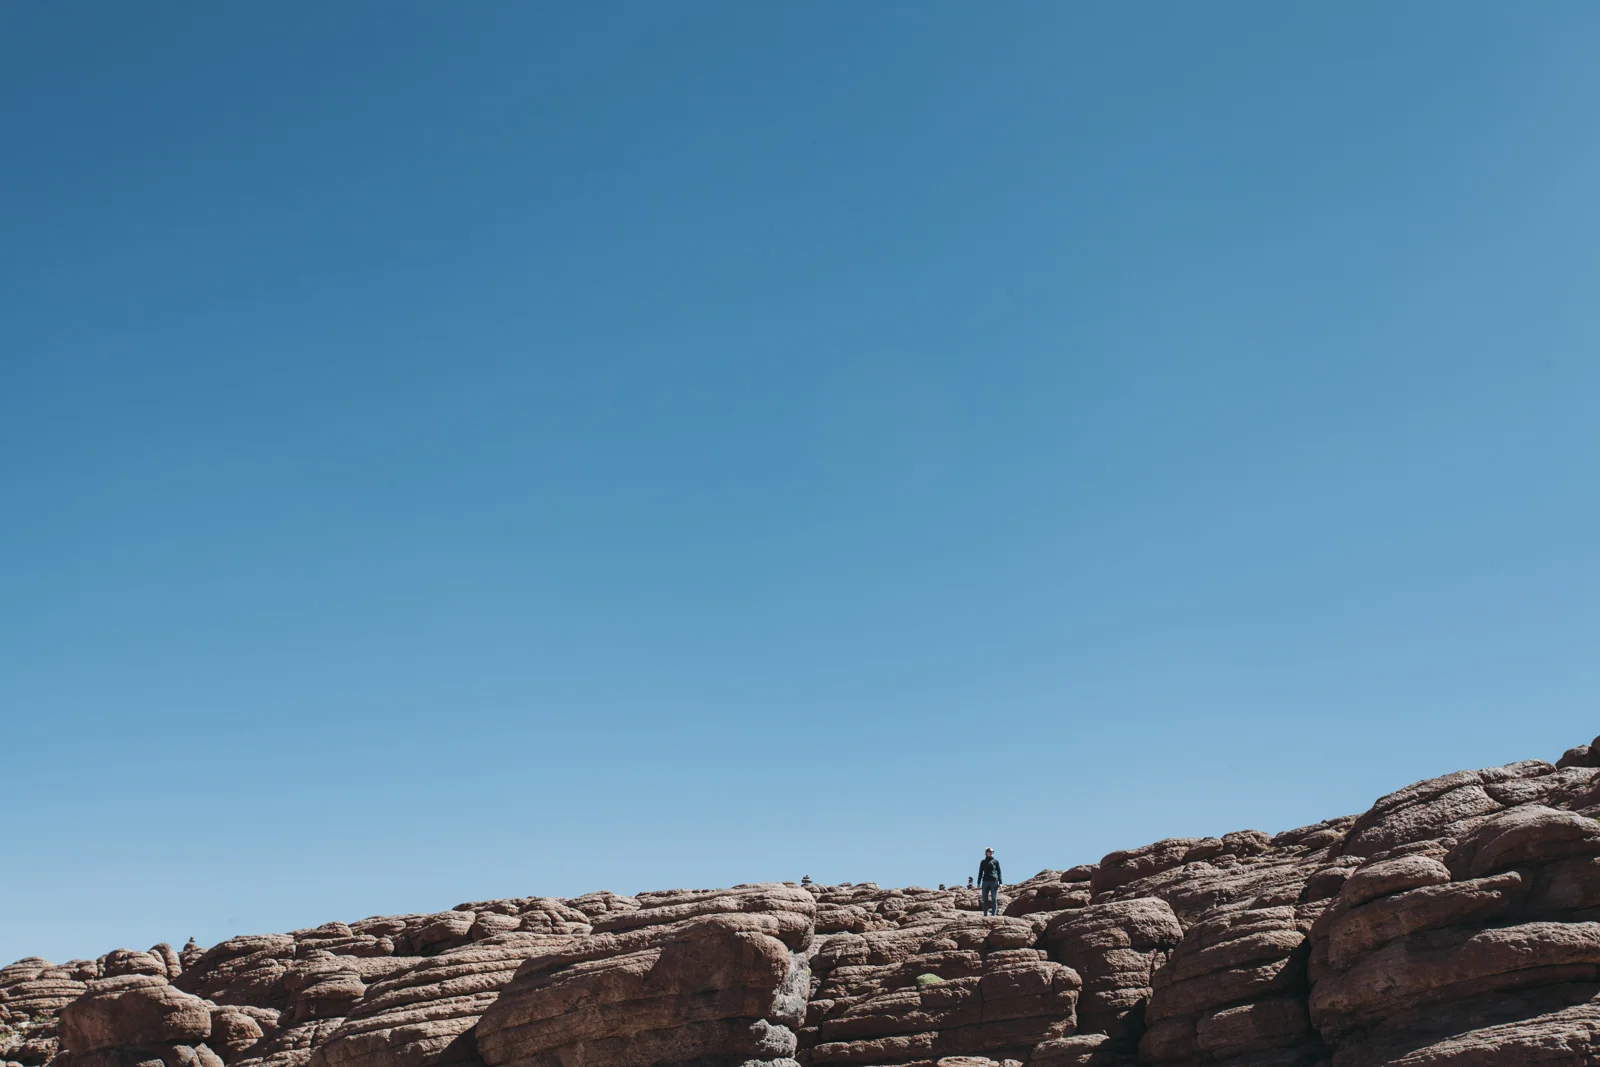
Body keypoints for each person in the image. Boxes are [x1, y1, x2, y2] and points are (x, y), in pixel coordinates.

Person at [977, 847, 1002, 916]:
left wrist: (1001, 883)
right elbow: (980, 873)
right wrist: (978, 883)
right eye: (990, 851)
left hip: (994, 881)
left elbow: (999, 872)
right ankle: (985, 914)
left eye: (992, 852)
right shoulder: (983, 862)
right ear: (986, 852)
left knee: (994, 898)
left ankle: (993, 914)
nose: (991, 853)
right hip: (985, 881)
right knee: (984, 898)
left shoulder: (995, 861)